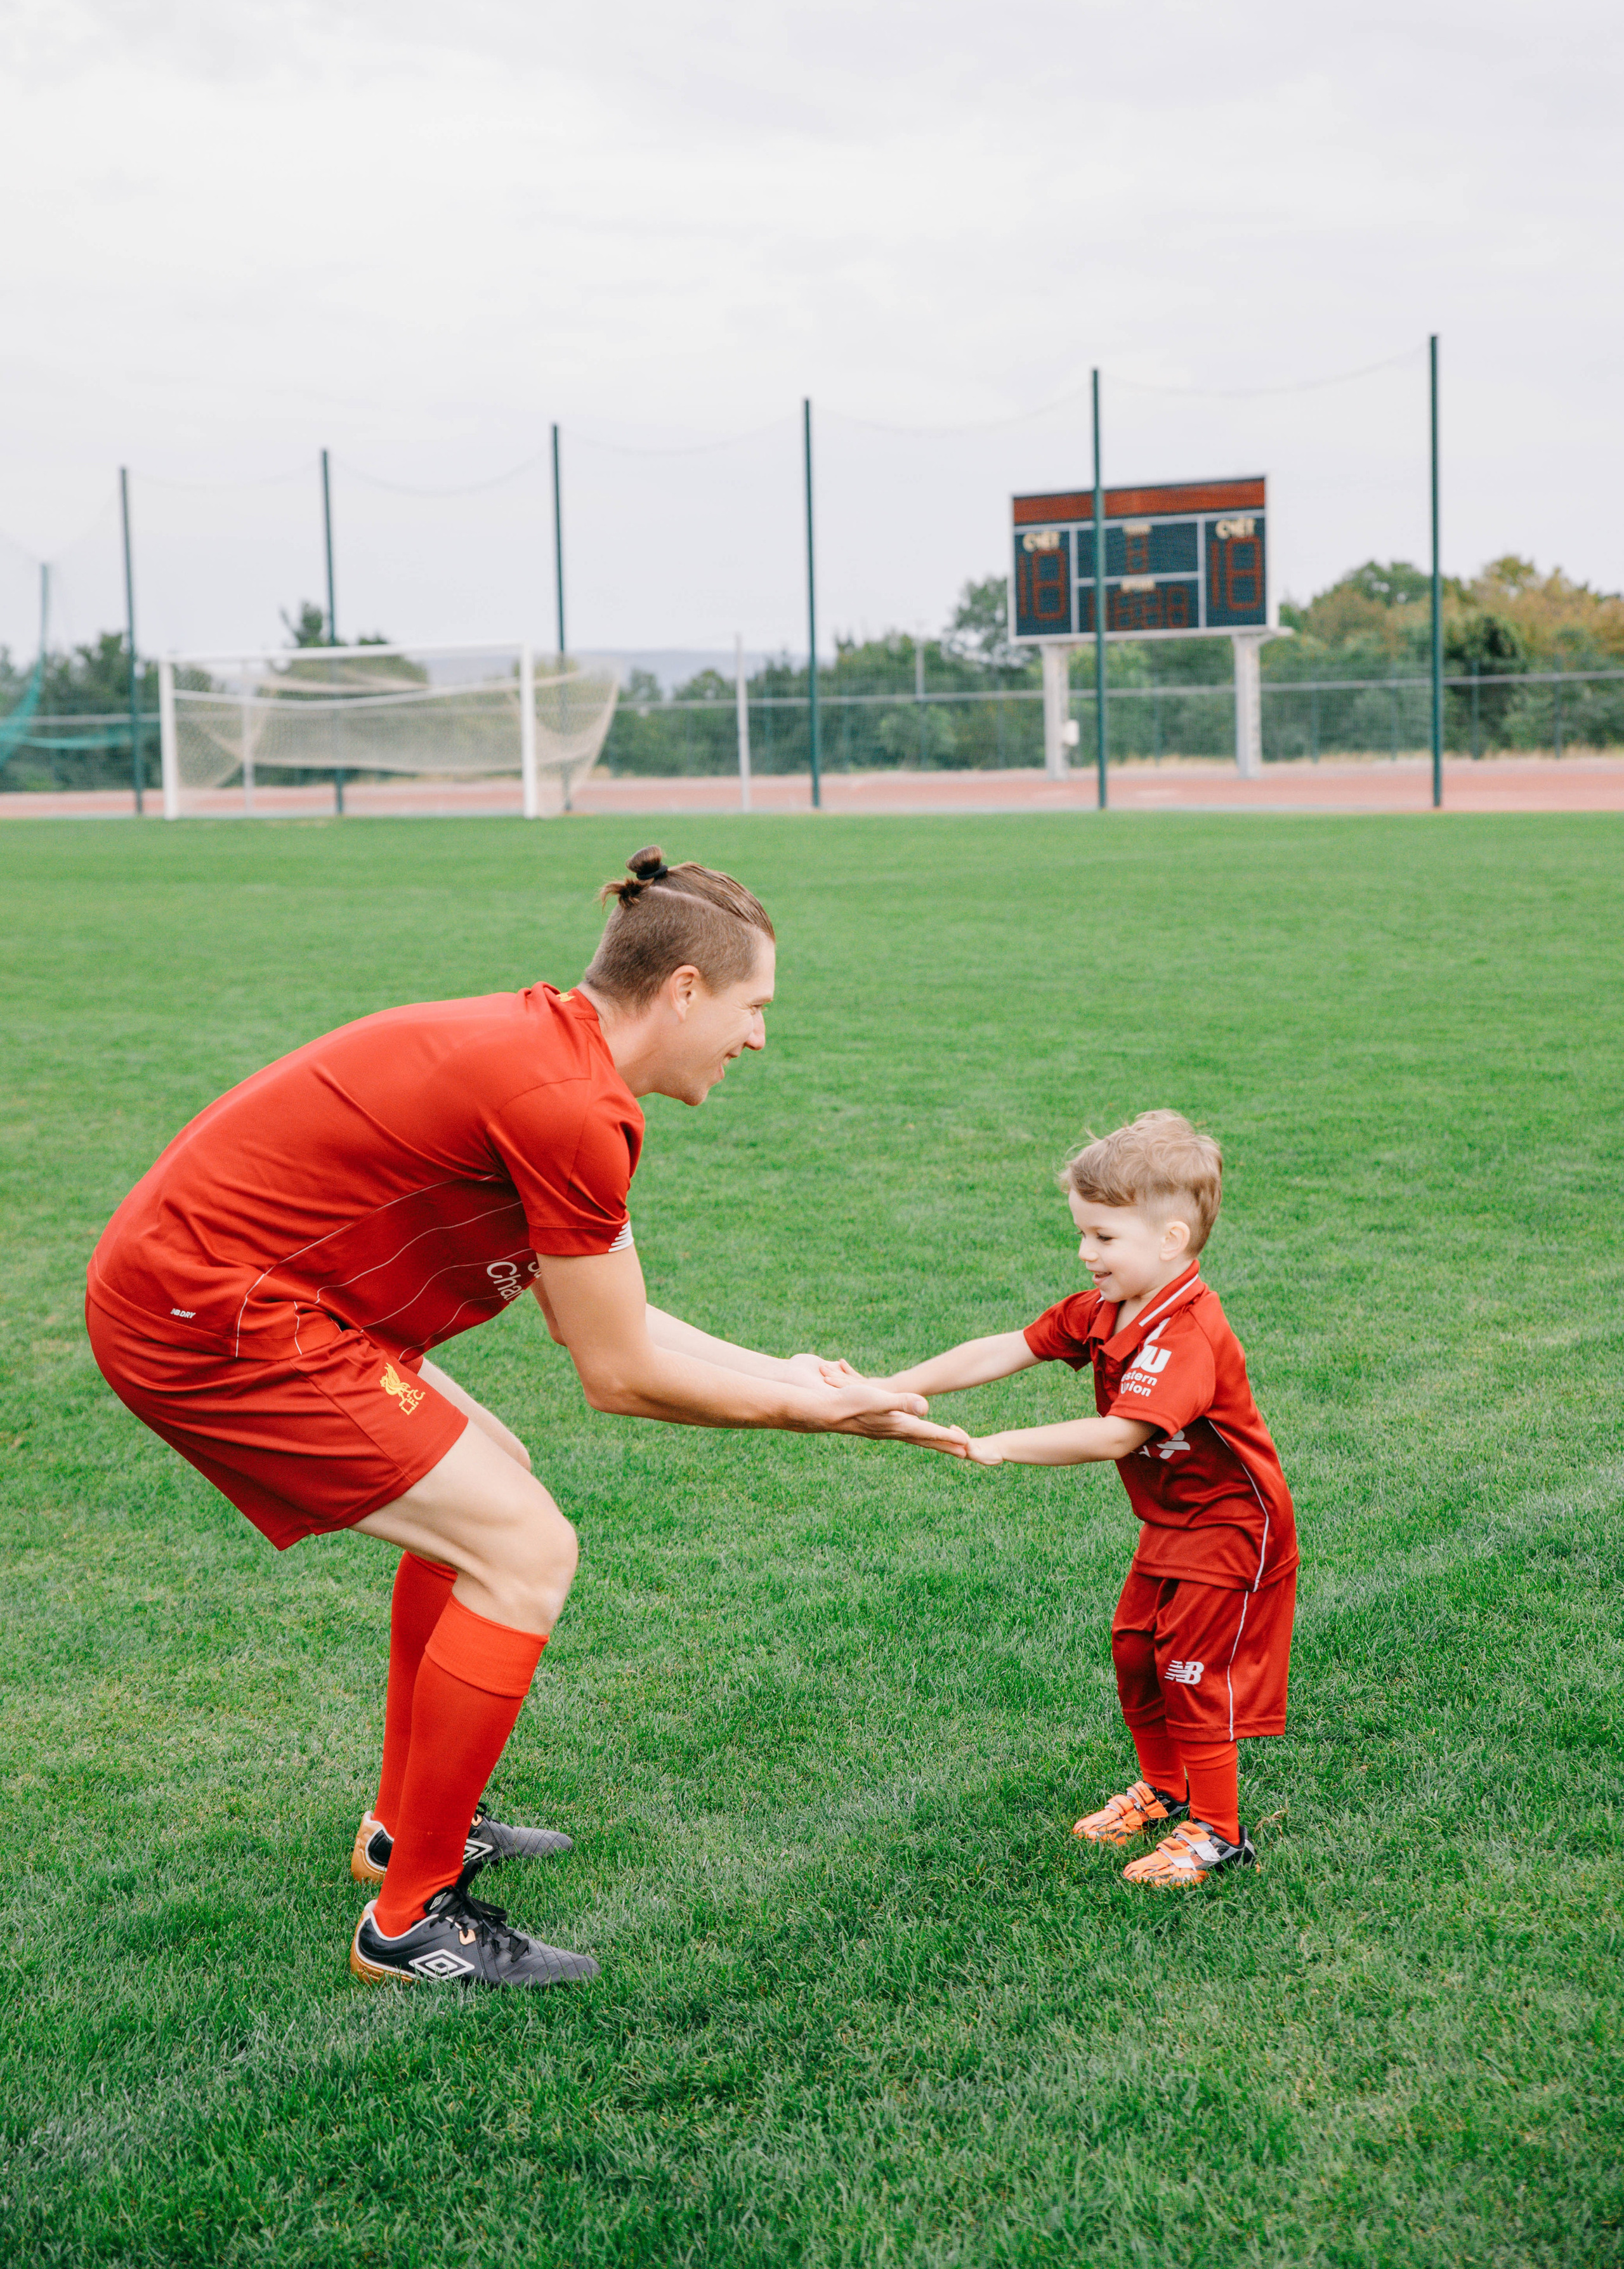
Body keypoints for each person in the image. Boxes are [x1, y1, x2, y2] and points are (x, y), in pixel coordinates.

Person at [86, 846, 962, 1989]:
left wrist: (799, 1374)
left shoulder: (560, 1063)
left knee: (496, 1477)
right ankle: (412, 1920)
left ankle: (405, 1830)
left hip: (251, 1294)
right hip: (213, 1315)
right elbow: (620, 1373)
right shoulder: (568, 1104)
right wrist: (819, 1417)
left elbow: (602, 1317)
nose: (759, 1037)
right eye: (753, 1007)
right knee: (524, 1547)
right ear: (684, 991)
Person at [861, 1111, 1297, 1888]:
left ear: (1169, 1241)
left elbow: (1117, 1435)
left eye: (1102, 1237)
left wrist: (997, 1443)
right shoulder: (1106, 1309)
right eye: (1082, 1234)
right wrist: (889, 1386)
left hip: (1231, 1527)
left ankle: (1218, 1833)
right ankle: (1164, 1791)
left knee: (1189, 1670)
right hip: (1172, 1520)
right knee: (1135, 1650)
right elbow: (1009, 1347)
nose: (1084, 1253)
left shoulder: (1186, 1334)